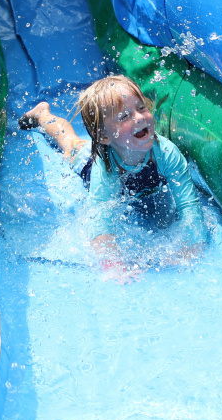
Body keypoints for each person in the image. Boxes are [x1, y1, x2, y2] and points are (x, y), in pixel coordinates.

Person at [19, 76, 207, 283]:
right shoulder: (105, 169)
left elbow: (189, 205)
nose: (139, 117)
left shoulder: (166, 153)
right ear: (104, 136)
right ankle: (42, 114)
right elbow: (100, 220)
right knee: (69, 142)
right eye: (124, 116)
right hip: (89, 160)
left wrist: (193, 246)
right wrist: (113, 265)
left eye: (141, 107)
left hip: (127, 165)